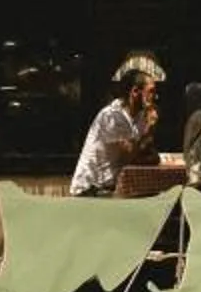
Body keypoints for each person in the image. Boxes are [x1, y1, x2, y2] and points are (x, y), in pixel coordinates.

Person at [69, 56, 162, 196]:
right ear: (135, 92)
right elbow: (129, 156)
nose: (155, 97)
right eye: (151, 91)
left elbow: (148, 153)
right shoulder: (112, 116)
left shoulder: (140, 116)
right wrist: (149, 129)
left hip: (114, 186)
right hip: (92, 189)